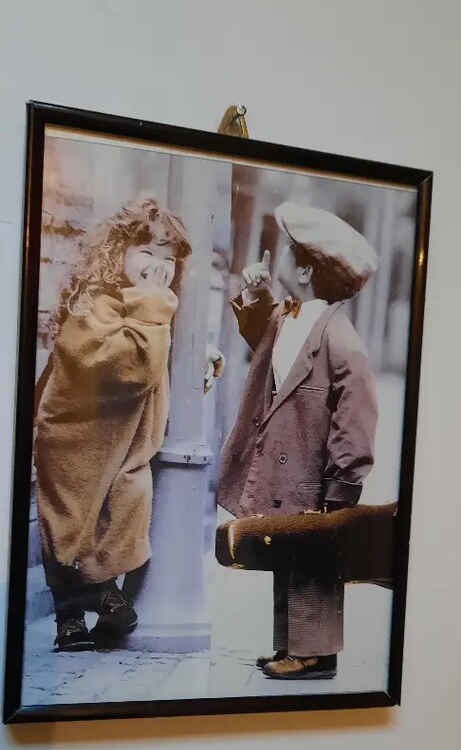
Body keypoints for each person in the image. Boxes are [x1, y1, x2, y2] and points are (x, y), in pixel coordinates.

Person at [218, 202, 379, 679]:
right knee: (289, 557)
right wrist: (256, 292)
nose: (279, 254)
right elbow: (263, 342)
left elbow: (356, 418)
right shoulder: (289, 318)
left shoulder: (340, 338)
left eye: (288, 251)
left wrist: (342, 486)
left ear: (306, 271)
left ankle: (315, 655)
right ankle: (291, 645)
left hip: (316, 477)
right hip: (286, 473)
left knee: (315, 567)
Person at [34, 195, 194, 652]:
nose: (158, 267)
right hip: (75, 439)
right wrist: (152, 306)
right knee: (70, 524)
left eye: (168, 259)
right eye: (146, 252)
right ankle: (72, 617)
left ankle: (103, 596)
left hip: (122, 443)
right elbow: (130, 366)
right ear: (117, 252)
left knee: (122, 508)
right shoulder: (95, 305)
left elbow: (157, 356)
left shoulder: (145, 304)